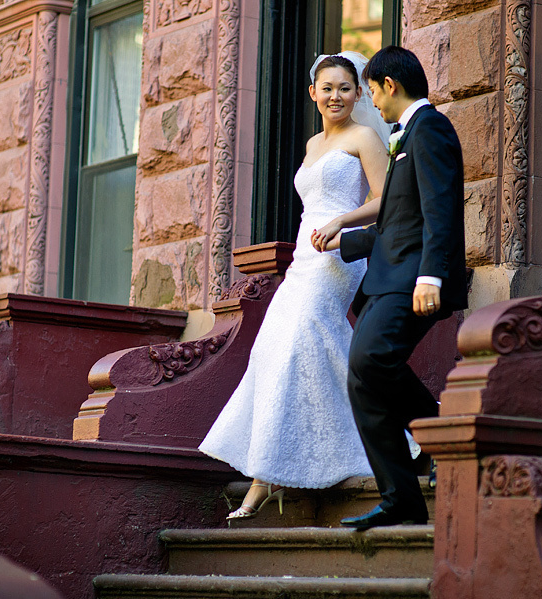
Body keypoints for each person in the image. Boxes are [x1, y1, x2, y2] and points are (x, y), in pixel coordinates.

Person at [198, 52, 391, 520]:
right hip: (305, 259)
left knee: (299, 343)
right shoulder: (310, 145)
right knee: (273, 350)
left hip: (338, 256)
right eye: (327, 88)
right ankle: (284, 467)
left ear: (359, 93)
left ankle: (263, 482)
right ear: (313, 94)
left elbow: (387, 200)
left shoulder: (365, 137)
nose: (336, 96)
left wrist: (343, 223)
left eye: (345, 88)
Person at [313, 46, 470, 529]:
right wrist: (346, 242)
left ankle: (440, 430)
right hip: (390, 277)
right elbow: (401, 218)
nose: (372, 104)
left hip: (413, 281)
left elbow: (441, 210)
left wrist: (432, 275)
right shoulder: (407, 136)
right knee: (362, 378)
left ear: (389, 85)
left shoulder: (432, 129)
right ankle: (401, 498)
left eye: (372, 90)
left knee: (368, 360)